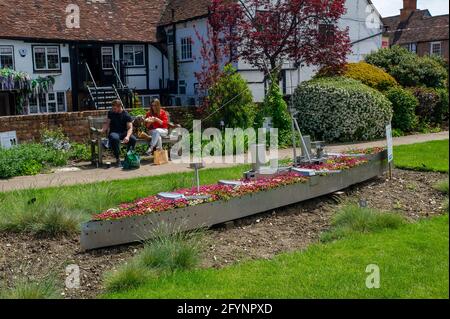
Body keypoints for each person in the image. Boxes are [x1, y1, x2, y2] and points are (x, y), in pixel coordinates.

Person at [100, 99, 137, 167]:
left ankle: (128, 157)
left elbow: (130, 128)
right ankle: (118, 159)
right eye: (112, 108)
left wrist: (127, 137)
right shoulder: (111, 113)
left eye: (115, 108)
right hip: (114, 132)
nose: (113, 110)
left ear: (120, 106)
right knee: (115, 138)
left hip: (124, 133)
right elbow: (107, 124)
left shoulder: (126, 115)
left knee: (133, 139)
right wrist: (102, 130)